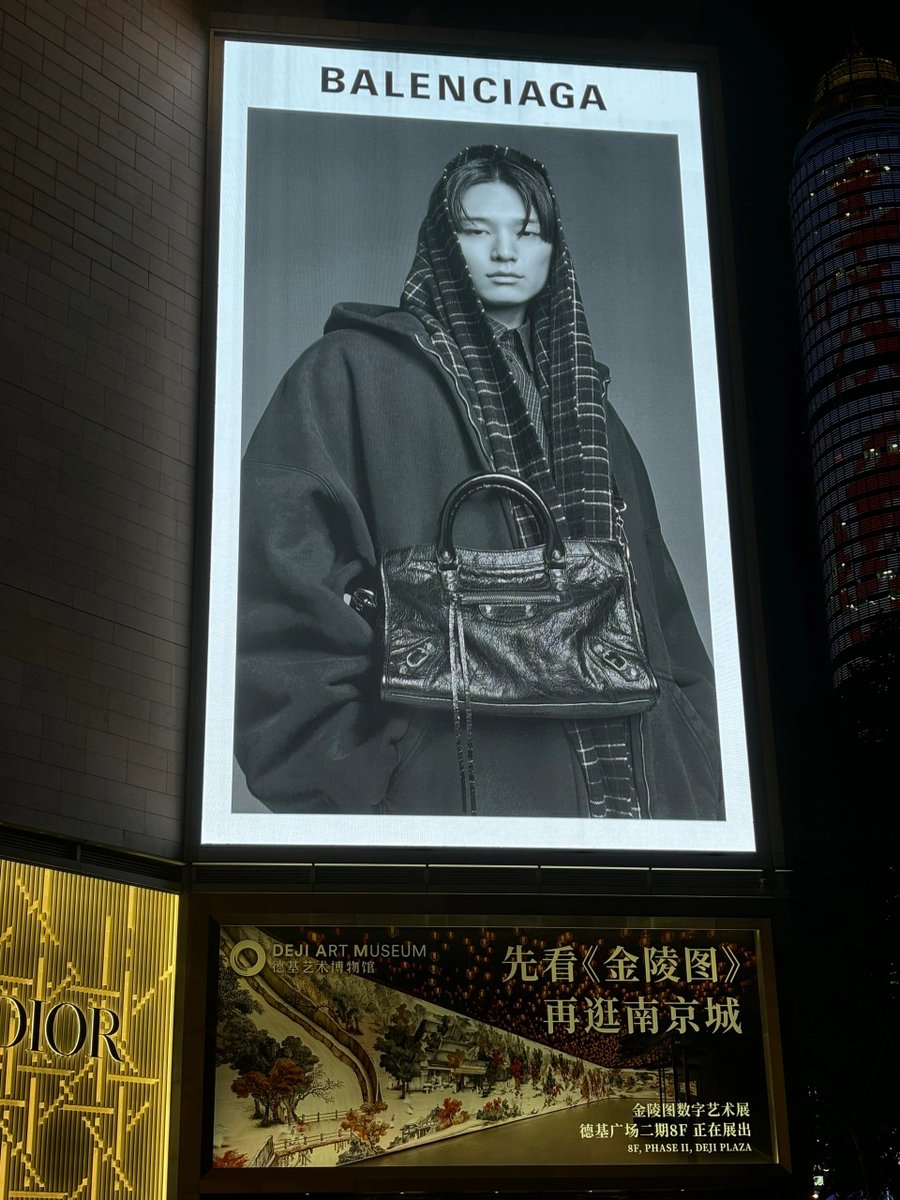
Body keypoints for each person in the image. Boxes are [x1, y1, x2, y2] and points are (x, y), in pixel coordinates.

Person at [235, 145, 722, 821]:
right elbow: (274, 594)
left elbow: (662, 621)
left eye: (527, 232)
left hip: (647, 822)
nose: (505, 251)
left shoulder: (597, 418)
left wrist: (699, 773)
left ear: (554, 249)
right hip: (453, 815)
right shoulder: (345, 375)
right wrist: (367, 782)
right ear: (443, 240)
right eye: (477, 229)